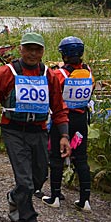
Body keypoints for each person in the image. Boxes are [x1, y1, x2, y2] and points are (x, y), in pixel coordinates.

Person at [0, 32, 70, 222]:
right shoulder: (7, 72)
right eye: (28, 49)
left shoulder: (49, 74)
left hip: (38, 131)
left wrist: (64, 135)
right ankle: (28, 220)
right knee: (25, 181)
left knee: (39, 177)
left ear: (42, 52)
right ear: (21, 49)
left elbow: (59, 107)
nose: (32, 53)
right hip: (13, 130)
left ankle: (14, 196)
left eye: (37, 49)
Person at [42, 36, 94, 212]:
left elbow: (51, 91)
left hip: (62, 120)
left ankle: (55, 196)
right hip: (81, 120)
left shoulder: (59, 74)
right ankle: (85, 200)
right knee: (81, 158)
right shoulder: (88, 72)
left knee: (56, 156)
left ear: (64, 55)